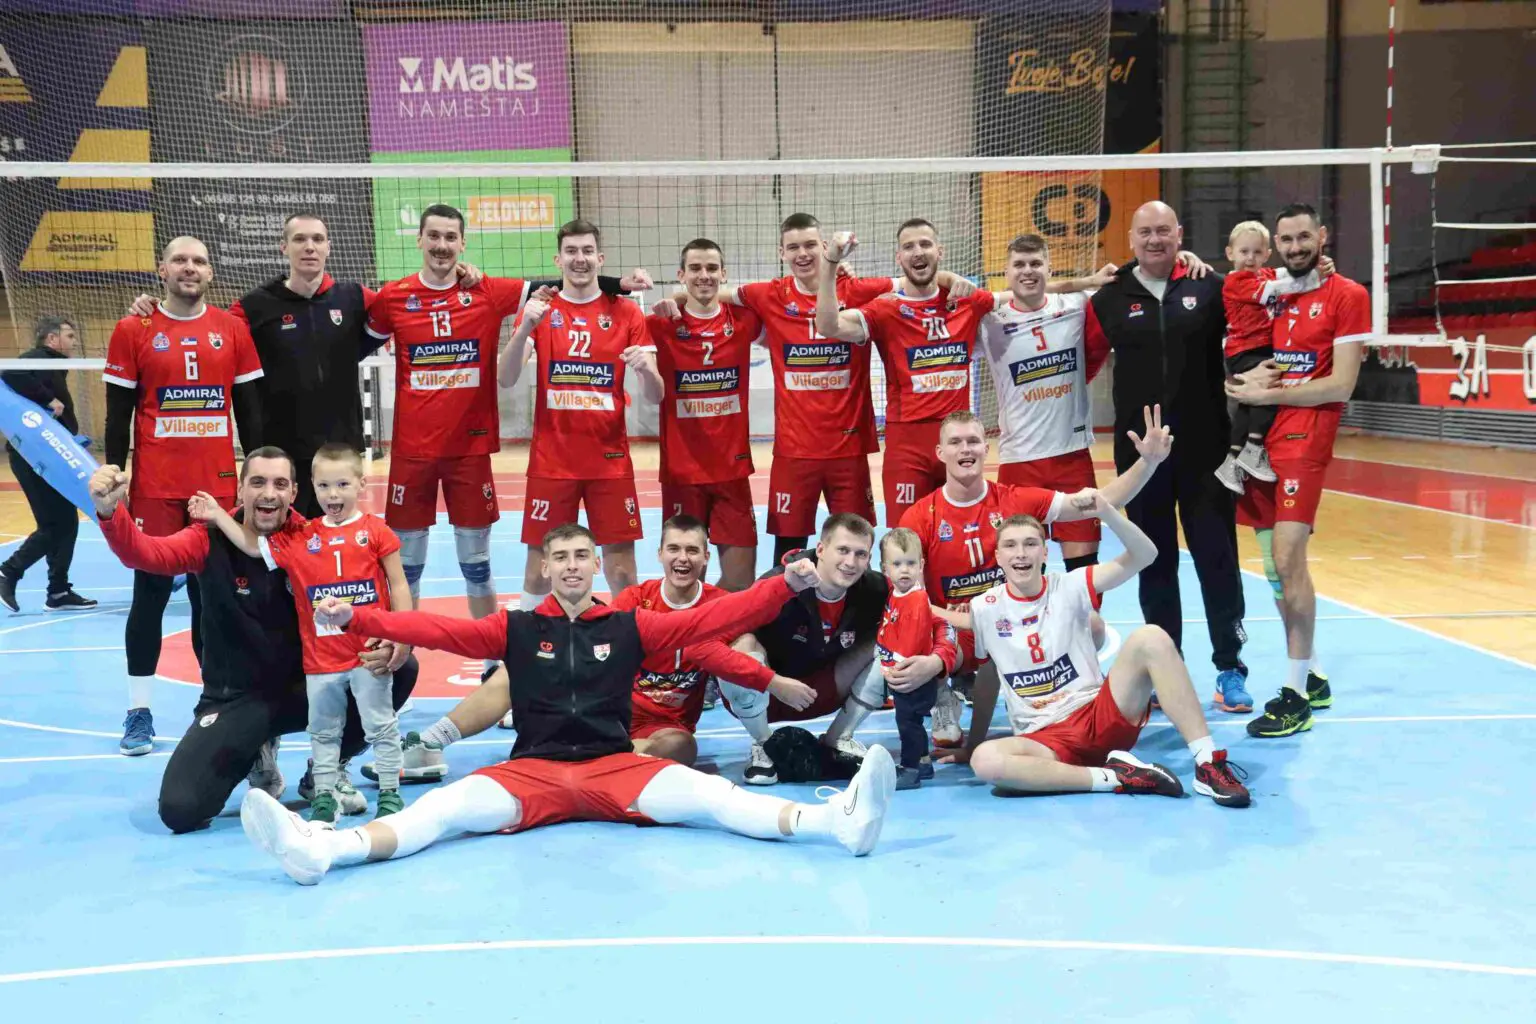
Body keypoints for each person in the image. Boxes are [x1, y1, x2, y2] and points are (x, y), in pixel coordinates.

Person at [239, 524, 899, 886]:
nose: (575, 565)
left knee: (717, 799)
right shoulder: (517, 628)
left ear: (597, 566)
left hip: (617, 767)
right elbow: (437, 631)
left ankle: (836, 822)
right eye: (562, 557)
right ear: (547, 569)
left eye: (584, 555)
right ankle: (324, 851)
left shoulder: (632, 626)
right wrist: (357, 617)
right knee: (439, 811)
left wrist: (782, 586)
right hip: (532, 773)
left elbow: (715, 618)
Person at [86, 448, 420, 834]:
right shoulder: (207, 538)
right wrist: (111, 512)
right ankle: (256, 750)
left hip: (306, 689)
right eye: (258, 482)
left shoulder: (310, 538)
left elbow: (366, 594)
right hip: (237, 699)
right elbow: (145, 554)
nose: (269, 493)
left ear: (294, 492)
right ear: (240, 490)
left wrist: (396, 635)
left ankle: (326, 771)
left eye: (280, 484)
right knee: (181, 810)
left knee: (397, 668)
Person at [662, 212, 974, 563]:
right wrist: (676, 298)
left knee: (855, 547)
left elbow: (915, 279)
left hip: (848, 448)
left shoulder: (859, 290)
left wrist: (950, 277)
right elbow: (707, 291)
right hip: (794, 451)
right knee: (788, 554)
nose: (803, 254)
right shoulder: (767, 294)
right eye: (793, 247)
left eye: (810, 245)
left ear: (824, 247)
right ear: (782, 253)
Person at [935, 508, 1251, 808]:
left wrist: (1108, 512)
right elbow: (989, 677)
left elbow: (1146, 555)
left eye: (1030, 544)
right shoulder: (985, 608)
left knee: (1151, 637)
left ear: (1045, 553)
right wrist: (973, 744)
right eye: (1011, 545)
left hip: (1097, 716)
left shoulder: (1070, 585)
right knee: (985, 760)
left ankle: (1207, 762)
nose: (1021, 553)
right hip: (1043, 740)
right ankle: (1117, 777)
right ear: (998, 556)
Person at [898, 407, 1172, 745]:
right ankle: (942, 693)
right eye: (955, 442)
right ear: (940, 452)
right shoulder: (919, 517)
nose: (965, 449)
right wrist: (941, 624)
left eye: (973, 441)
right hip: (956, 630)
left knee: (1093, 625)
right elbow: (905, 594)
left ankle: (1069, 696)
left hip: (1013, 622)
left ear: (986, 448)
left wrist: (1149, 463)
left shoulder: (1015, 499)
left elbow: (1101, 502)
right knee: (913, 630)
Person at [188, 443, 412, 822]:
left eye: (343, 485)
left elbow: (400, 584)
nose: (333, 494)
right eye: (324, 486)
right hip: (321, 661)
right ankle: (323, 794)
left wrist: (402, 632)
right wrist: (217, 515)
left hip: (366, 655)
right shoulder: (303, 537)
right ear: (311, 487)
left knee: (381, 725)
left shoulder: (376, 531)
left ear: (362, 485)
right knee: (323, 732)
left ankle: (390, 793)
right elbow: (253, 546)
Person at [1086, 201, 1252, 713]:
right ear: (1131, 240)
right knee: (1153, 561)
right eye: (1145, 233)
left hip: (1206, 452)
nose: (1155, 240)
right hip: (1141, 457)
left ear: (1179, 234)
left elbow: (1264, 293)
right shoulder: (1109, 297)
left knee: (1217, 558)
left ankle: (1230, 667)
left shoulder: (1212, 287)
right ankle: (1166, 667)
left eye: (1163, 231)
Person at [104, 236, 266, 757]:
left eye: (198, 261)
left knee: (211, 599)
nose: (189, 268)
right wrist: (115, 471)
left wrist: (258, 475)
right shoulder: (134, 328)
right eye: (179, 260)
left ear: (210, 272)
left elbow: (250, 411)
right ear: (162, 270)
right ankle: (138, 711)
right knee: (149, 596)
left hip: (214, 490)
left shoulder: (232, 329)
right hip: (155, 488)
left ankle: (213, 701)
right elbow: (117, 413)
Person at [1227, 202, 1366, 738]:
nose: (1295, 247)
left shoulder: (1347, 295)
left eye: (1304, 237)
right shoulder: (1275, 292)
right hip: (1260, 439)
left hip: (1305, 437)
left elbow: (1341, 385)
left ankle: (1294, 697)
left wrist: (1268, 394)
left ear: (1322, 236)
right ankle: (1311, 676)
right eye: (1286, 240)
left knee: (1288, 558)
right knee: (1272, 565)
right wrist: (1241, 386)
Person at [716, 513, 952, 785]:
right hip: (768, 695)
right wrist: (773, 682)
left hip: (825, 691)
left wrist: (937, 662)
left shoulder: (877, 588)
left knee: (892, 640)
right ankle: (764, 745)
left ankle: (839, 738)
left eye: (860, 554)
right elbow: (717, 638)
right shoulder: (778, 583)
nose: (850, 562)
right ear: (820, 549)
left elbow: (939, 624)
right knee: (741, 645)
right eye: (842, 550)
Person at [498, 218, 661, 612]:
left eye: (587, 251)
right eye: (571, 251)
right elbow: (505, 378)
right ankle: (530, 642)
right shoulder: (541, 310)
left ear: (600, 258)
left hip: (610, 463)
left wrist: (645, 370)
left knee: (621, 570)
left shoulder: (627, 313)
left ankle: (628, 643)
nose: (579, 259)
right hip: (552, 462)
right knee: (539, 571)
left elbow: (656, 396)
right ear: (558, 260)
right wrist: (524, 328)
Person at [813, 222, 997, 526]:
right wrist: (830, 262)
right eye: (909, 247)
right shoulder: (886, 309)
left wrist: (1081, 285)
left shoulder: (967, 300)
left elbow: (1022, 297)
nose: (918, 252)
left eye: (925, 244)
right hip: (907, 446)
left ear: (940, 251)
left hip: (958, 440)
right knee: (906, 539)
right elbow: (827, 325)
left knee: (963, 536)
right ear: (899, 257)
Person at [978, 235, 1115, 589]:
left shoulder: (1077, 303)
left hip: (1073, 457)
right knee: (1021, 574)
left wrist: (1186, 258)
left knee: (1083, 575)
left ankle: (1082, 626)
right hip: (1019, 461)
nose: (1028, 271)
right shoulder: (988, 322)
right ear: (1006, 272)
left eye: (1035, 264)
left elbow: (1133, 281)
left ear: (1049, 269)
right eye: (1019, 265)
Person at [645, 239, 765, 591]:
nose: (704, 275)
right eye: (695, 268)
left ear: (723, 274)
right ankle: (689, 624)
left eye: (712, 268)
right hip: (683, 472)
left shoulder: (743, 319)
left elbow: (789, 303)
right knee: (684, 579)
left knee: (741, 581)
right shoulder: (659, 323)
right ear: (681, 274)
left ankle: (714, 621)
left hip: (732, 471)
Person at [1214, 221, 1329, 497]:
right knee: (1270, 390)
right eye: (1244, 252)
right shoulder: (1236, 281)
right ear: (1230, 253)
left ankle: (1231, 461)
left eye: (1257, 252)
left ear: (1267, 254)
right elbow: (1276, 289)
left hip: (1258, 349)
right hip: (1245, 350)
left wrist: (1316, 264)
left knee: (1249, 403)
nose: (1250, 258)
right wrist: (1315, 279)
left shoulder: (1262, 273)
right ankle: (1254, 448)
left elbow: (1285, 272)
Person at [0, 316, 95, 613]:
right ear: (52, 339)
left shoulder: (53, 364)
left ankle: (58, 591)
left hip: (50, 456)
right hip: (33, 456)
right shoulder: (39, 357)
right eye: (69, 336)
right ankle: (8, 572)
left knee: (67, 523)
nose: (74, 342)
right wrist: (48, 399)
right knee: (56, 524)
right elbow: (8, 372)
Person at [874, 528, 956, 790]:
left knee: (908, 724)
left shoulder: (917, 598)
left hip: (911, 675)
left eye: (910, 563)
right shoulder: (896, 594)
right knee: (912, 722)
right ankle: (923, 763)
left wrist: (894, 664)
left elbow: (913, 638)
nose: (904, 570)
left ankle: (910, 769)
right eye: (897, 564)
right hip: (901, 671)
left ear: (921, 565)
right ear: (885, 568)